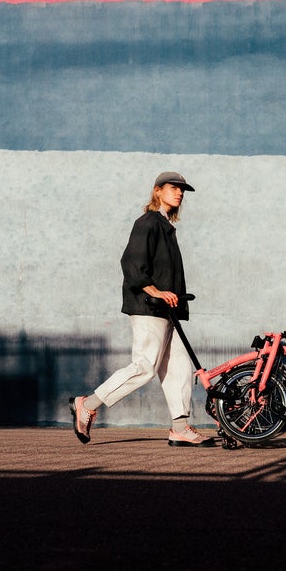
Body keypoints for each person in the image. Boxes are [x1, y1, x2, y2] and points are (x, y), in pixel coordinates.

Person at [68, 171, 213, 447]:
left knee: (179, 369)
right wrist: (155, 292)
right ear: (158, 191)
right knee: (145, 367)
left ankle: (180, 428)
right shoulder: (148, 222)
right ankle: (88, 404)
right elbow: (131, 264)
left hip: (169, 312)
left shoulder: (166, 227)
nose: (180, 193)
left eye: (183, 190)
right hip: (149, 308)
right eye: (174, 188)